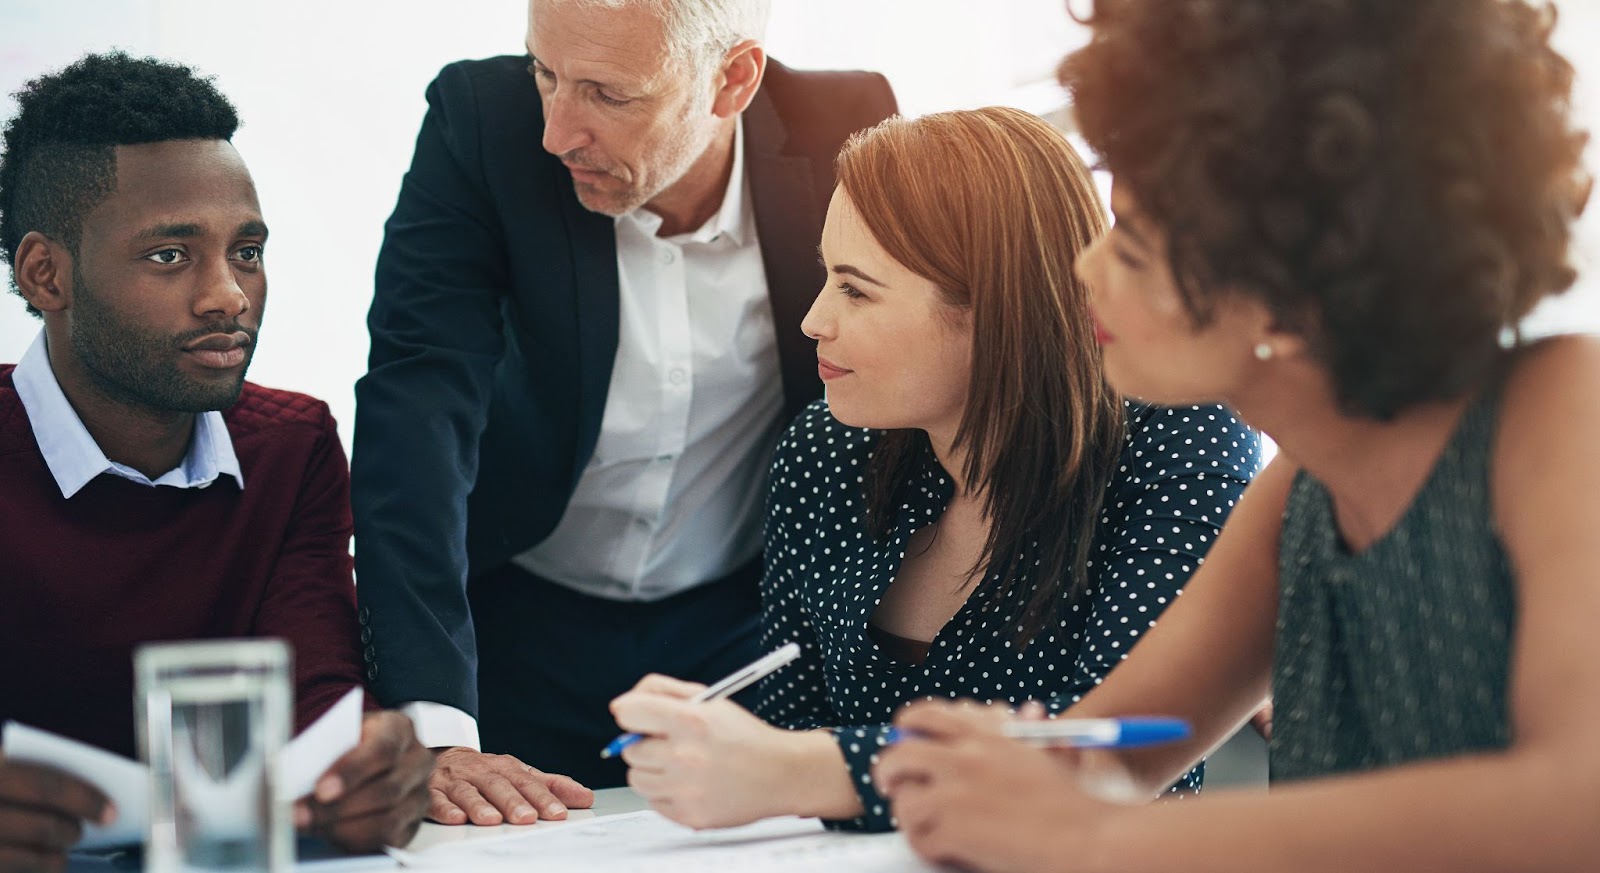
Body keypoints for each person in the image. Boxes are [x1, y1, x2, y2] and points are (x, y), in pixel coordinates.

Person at [873, 1, 1600, 871]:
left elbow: (1575, 804)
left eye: (1133, 249)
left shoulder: (1562, 411)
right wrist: (995, 765)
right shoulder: (1301, 488)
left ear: (1292, 300)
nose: (1084, 268)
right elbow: (1109, 756)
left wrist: (1097, 833)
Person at [607, 107, 1260, 831]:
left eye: (856, 289)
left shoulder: (1177, 437)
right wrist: (743, 764)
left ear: (994, 309)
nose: (813, 320)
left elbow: (1119, 772)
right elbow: (785, 744)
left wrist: (798, 771)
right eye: (828, 277)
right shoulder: (826, 450)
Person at [350, 0, 897, 822]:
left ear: (733, 79)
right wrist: (433, 722)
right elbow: (416, 406)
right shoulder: (482, 122)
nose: (557, 131)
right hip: (516, 624)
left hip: (749, 631)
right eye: (545, 73)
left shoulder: (848, 132)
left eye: (610, 94)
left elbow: (915, 392)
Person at [0, 52, 432, 863]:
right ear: (46, 273)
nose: (228, 295)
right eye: (171, 254)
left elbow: (319, 698)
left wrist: (369, 770)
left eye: (247, 251)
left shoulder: (291, 447)